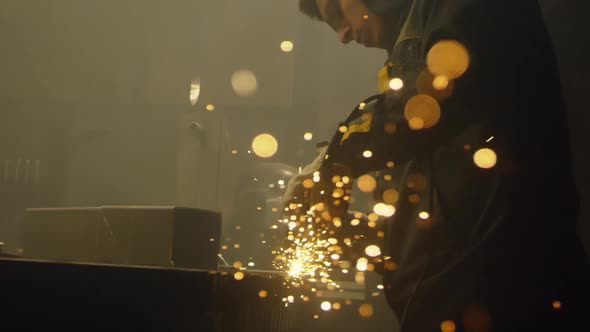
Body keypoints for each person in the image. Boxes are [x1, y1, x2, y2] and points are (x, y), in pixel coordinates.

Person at [286, 0, 590, 330]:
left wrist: (339, 153)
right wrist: (359, 235)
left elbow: (439, 91)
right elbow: (435, 202)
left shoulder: (464, 12)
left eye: (336, 15)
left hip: (505, 294)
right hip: (453, 303)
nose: (342, 36)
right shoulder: (415, 47)